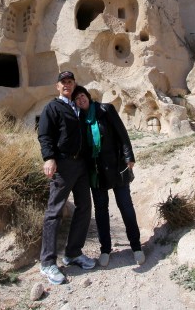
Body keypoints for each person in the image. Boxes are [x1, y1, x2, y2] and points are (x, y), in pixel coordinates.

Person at [72, 86, 145, 267]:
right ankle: (105, 249)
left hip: (116, 167)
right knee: (101, 211)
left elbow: (122, 134)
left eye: (82, 96)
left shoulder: (106, 109)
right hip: (96, 173)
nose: (81, 100)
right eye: (77, 99)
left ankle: (136, 246)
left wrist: (129, 157)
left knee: (125, 206)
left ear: (88, 96)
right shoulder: (79, 120)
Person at [37, 71, 96, 285]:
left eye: (70, 82)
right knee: (54, 211)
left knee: (84, 207)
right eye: (63, 82)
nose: (67, 85)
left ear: (74, 84)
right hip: (62, 164)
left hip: (81, 165)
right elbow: (44, 135)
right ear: (57, 86)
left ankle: (73, 253)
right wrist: (49, 158)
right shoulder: (52, 107)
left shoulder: (78, 107)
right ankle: (47, 262)